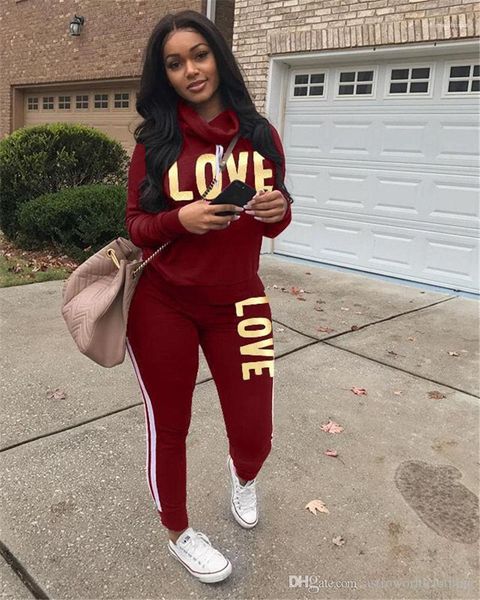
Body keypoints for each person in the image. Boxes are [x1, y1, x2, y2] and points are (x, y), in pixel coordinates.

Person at [125, 9, 294, 584]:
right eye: (175, 63)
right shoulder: (156, 141)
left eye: (199, 55)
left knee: (255, 432)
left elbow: (276, 218)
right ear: (165, 75)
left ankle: (244, 475)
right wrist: (182, 219)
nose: (191, 71)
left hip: (241, 302)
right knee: (169, 424)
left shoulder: (260, 134)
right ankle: (178, 530)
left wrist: (278, 209)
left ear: (218, 57)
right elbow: (136, 225)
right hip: (162, 304)